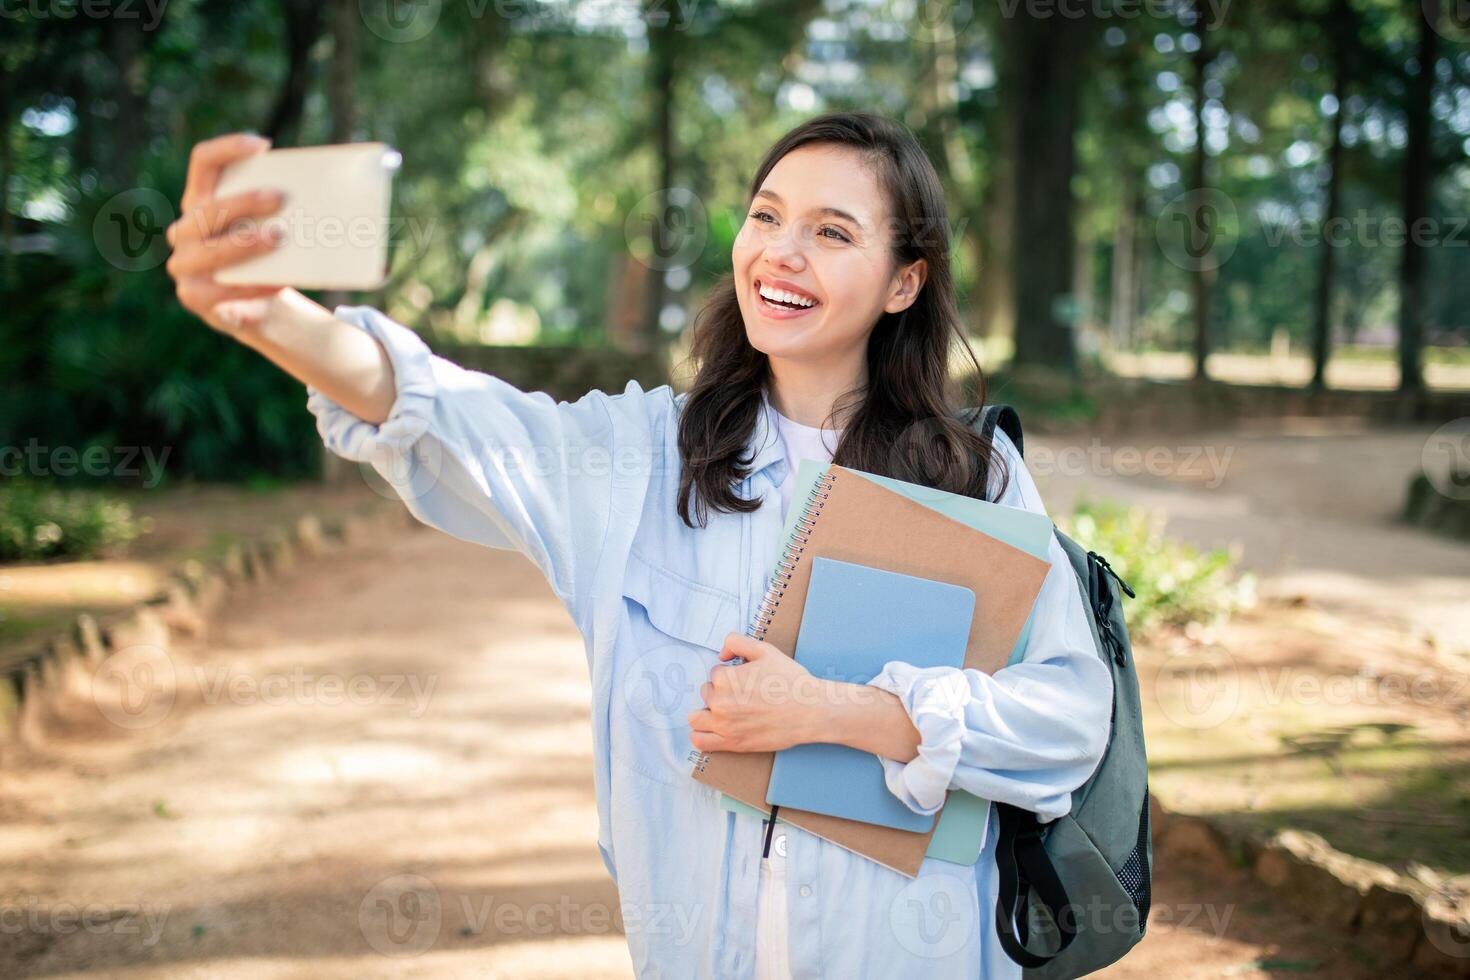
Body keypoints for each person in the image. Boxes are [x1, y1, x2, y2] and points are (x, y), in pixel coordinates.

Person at [167, 111, 1113, 978]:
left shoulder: (972, 476)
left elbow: (1067, 723)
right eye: (765, 216)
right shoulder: (644, 461)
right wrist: (271, 316)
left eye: (831, 232)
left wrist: (840, 713)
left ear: (905, 281)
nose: (780, 254)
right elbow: (451, 416)